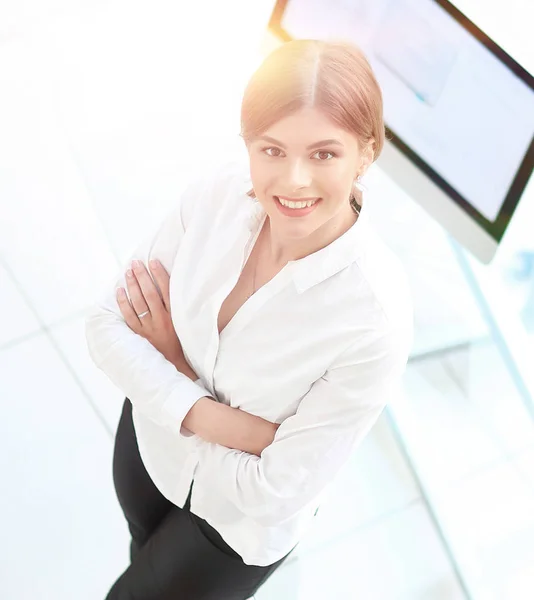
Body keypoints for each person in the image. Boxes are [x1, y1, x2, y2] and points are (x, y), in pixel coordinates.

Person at [85, 38, 413, 599]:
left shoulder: (374, 320)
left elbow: (276, 490)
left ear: (368, 152)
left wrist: (168, 362)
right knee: (140, 552)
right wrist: (244, 430)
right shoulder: (217, 196)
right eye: (271, 150)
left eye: (324, 154)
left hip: (233, 531)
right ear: (248, 144)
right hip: (149, 454)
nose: (293, 181)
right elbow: (104, 326)